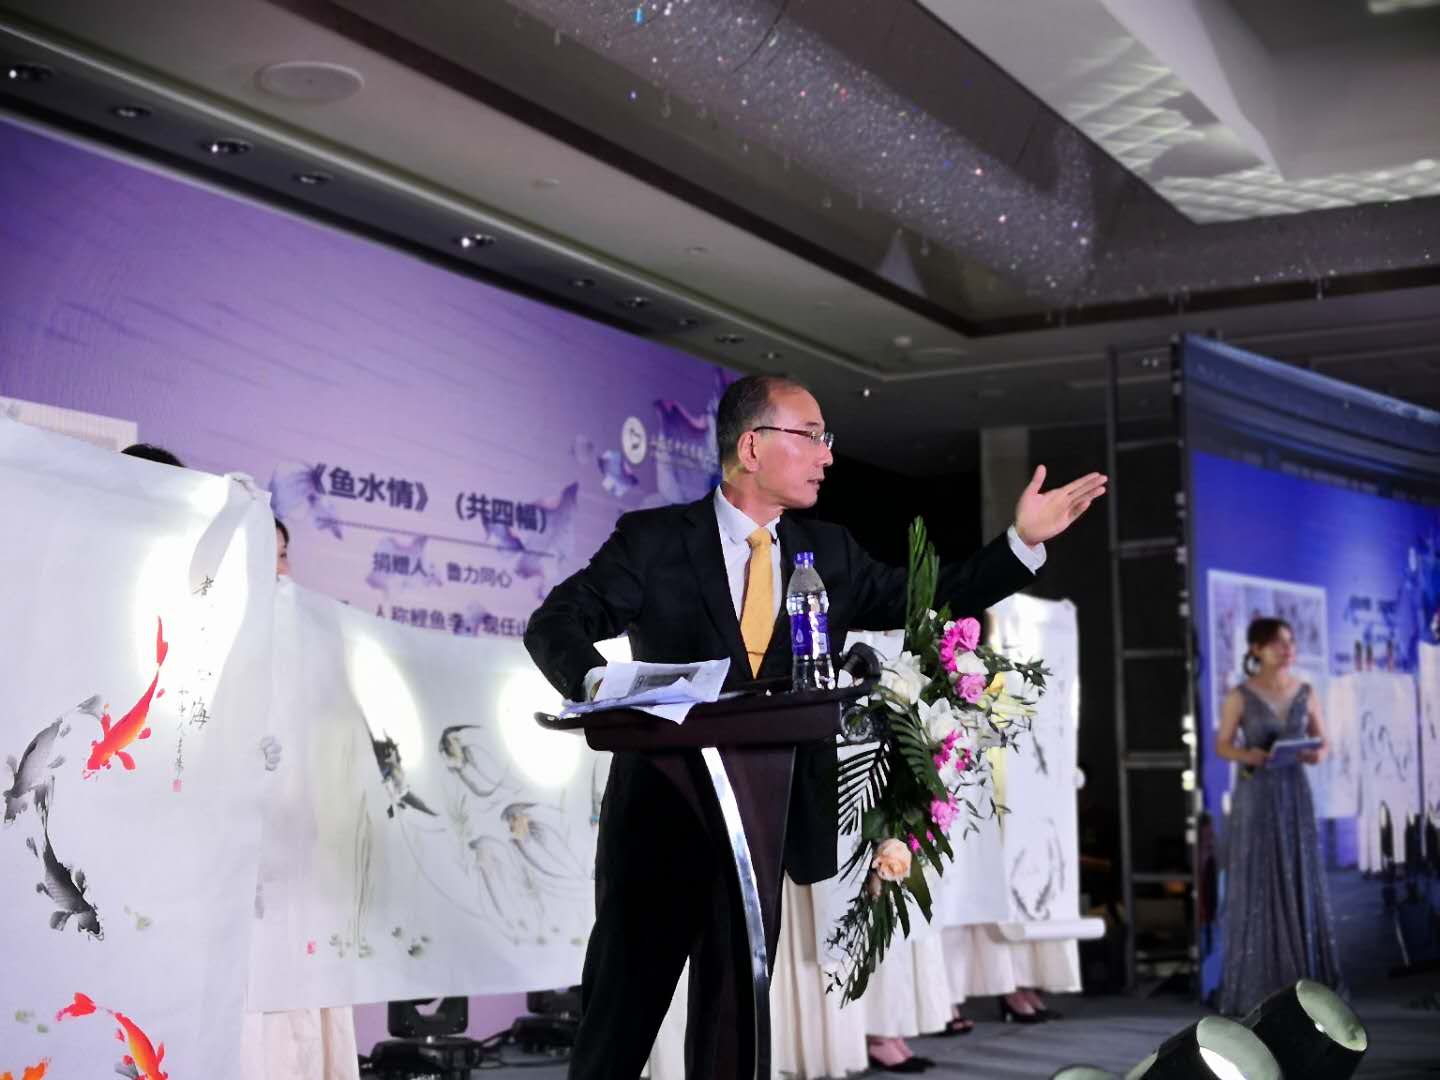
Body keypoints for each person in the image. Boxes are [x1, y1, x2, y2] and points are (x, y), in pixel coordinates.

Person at [524, 374, 1105, 1079]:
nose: (827, 455)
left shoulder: (828, 552)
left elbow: (928, 596)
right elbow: (556, 622)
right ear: (752, 447)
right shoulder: (654, 541)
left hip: (762, 830)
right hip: (660, 817)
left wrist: (1020, 544)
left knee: (734, 1026)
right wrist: (604, 687)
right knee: (620, 1019)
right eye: (811, 436)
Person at [1214, 617, 1344, 1015]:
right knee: (1261, 878)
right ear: (1256, 649)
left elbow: (1324, 744)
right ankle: (1260, 983)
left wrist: (1313, 754)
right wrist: (1248, 754)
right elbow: (1222, 745)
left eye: (1290, 642)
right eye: (1277, 643)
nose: (1287, 650)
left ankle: (1306, 983)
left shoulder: (1305, 691)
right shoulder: (1240, 695)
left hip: (1293, 791)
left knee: (1298, 872)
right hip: (1257, 793)